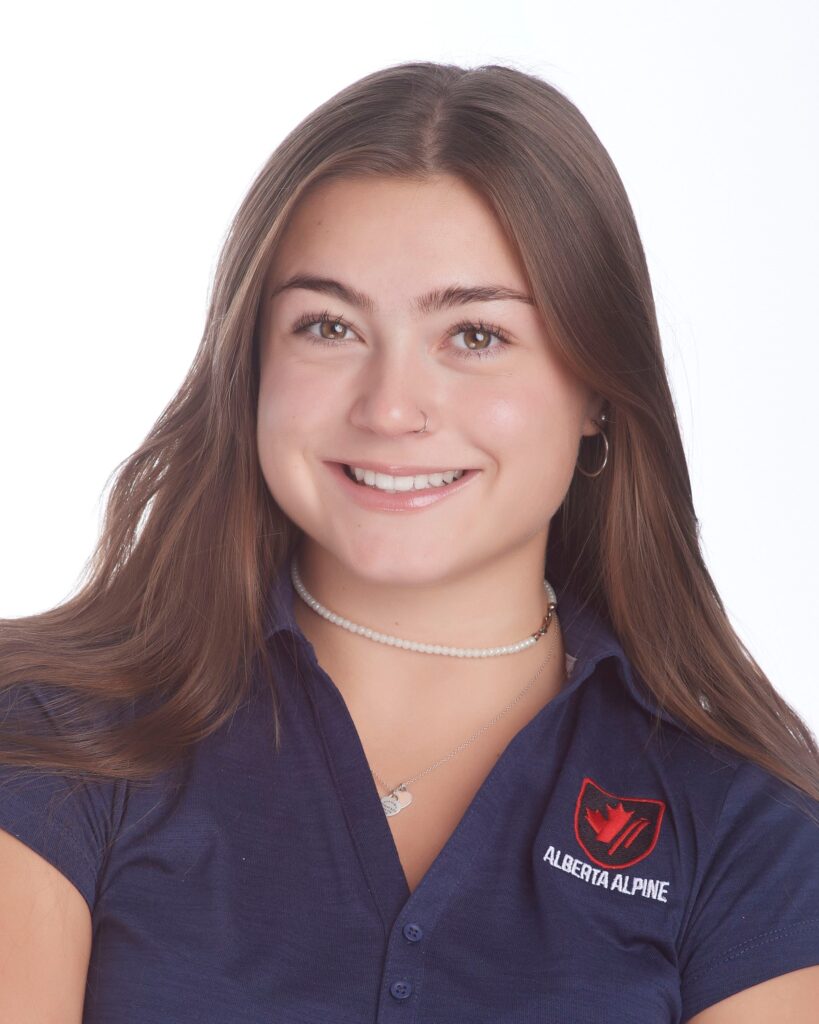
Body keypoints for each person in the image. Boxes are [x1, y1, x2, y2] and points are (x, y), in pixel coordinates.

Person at [0, 61, 817, 1024]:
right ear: (249, 364)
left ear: (598, 388)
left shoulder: (747, 832)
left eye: (474, 336)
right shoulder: (49, 734)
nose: (390, 408)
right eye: (328, 326)